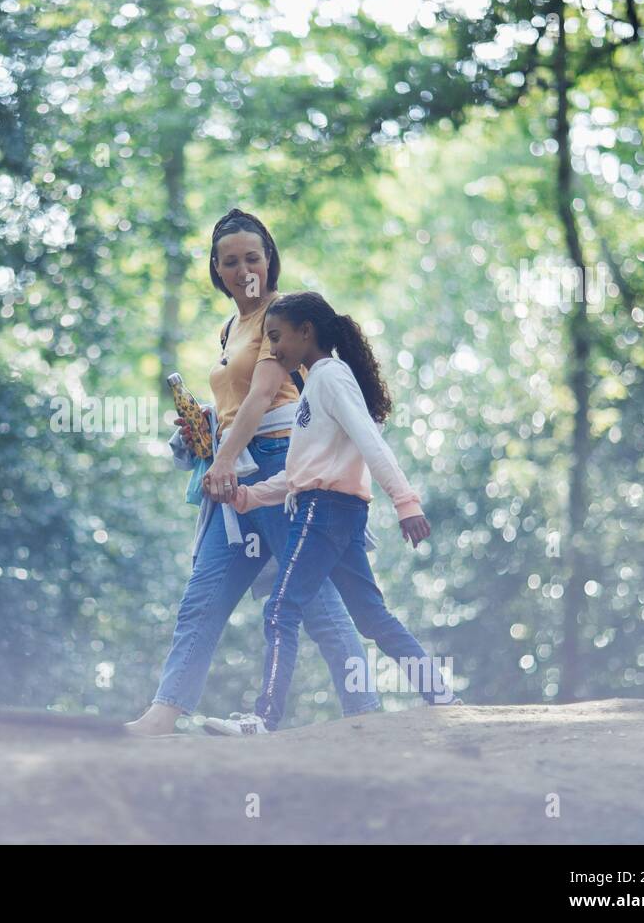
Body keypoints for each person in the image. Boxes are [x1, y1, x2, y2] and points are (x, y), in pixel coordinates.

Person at [125, 212, 376, 737]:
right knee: (204, 594)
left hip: (281, 467)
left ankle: (365, 712)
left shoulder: (279, 317)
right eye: (231, 261)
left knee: (315, 599)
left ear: (270, 260)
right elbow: (240, 403)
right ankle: (165, 710)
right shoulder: (230, 328)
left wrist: (220, 460)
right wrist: (206, 430)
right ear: (216, 270)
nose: (244, 270)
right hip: (235, 472)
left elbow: (264, 394)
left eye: (253, 258)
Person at [204, 290, 459, 736]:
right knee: (373, 617)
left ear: (307, 332)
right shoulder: (314, 386)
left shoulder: (330, 377)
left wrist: (406, 502)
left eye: (278, 336)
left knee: (282, 608)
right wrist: (248, 497)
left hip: (323, 513)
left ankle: (263, 719)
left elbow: (370, 441)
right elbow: (300, 474)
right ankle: (443, 697)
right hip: (336, 512)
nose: (274, 347)